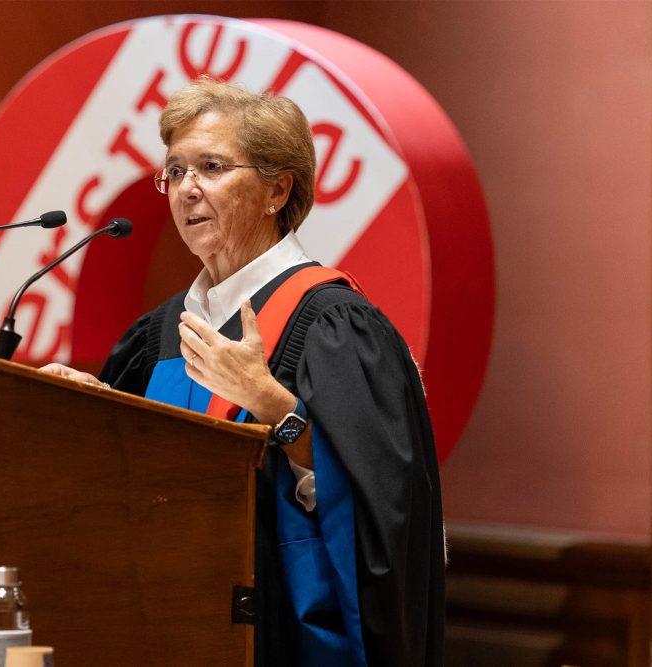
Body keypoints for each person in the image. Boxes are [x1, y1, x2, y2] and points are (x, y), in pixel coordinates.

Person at [41, 78, 444, 667]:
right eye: (174, 171)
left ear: (277, 190)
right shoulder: (159, 334)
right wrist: (95, 416)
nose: (187, 188)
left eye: (211, 167)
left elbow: (385, 516)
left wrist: (275, 407)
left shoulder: (335, 328)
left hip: (282, 640)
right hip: (163, 627)